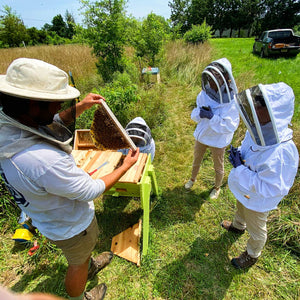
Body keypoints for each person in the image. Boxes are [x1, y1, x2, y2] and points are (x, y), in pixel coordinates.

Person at [0, 58, 140, 300]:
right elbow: (89, 190)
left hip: (50, 219)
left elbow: (46, 123)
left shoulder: (11, 124)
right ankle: (80, 295)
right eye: (55, 104)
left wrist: (81, 106)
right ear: (34, 103)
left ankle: (89, 263)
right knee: (77, 263)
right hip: (71, 226)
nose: (58, 108)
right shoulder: (43, 160)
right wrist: (125, 166)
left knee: (81, 256)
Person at [222, 83, 299, 269]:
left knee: (257, 229)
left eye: (260, 106)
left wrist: (240, 169)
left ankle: (252, 254)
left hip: (259, 200)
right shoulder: (259, 129)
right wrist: (239, 154)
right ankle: (238, 226)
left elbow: (270, 187)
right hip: (245, 189)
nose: (255, 110)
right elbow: (250, 148)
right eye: (255, 105)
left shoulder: (283, 152)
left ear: (275, 112)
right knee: (240, 206)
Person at [184, 58, 240, 199]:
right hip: (203, 135)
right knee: (197, 159)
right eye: (209, 78)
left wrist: (212, 117)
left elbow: (230, 125)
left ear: (225, 78)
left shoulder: (232, 101)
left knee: (218, 165)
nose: (210, 82)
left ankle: (217, 187)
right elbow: (195, 114)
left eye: (214, 79)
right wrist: (200, 113)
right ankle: (192, 179)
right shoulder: (204, 94)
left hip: (218, 140)